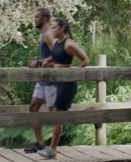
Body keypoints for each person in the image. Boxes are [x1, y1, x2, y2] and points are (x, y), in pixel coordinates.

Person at [37, 18, 90, 159]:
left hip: (67, 84)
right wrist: (47, 61)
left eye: (54, 28)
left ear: (62, 28)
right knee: (63, 112)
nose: (51, 30)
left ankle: (52, 150)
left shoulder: (69, 44)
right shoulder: (56, 44)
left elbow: (85, 59)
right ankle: (91, 115)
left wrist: (73, 73)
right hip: (57, 83)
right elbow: (55, 57)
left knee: (57, 114)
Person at [24, 8, 57, 153]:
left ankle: (53, 149)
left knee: (55, 115)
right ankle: (40, 144)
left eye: (36, 17)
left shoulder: (49, 34)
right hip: (42, 79)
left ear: (44, 19)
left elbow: (58, 54)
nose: (34, 19)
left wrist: (37, 63)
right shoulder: (43, 34)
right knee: (33, 108)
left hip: (51, 80)